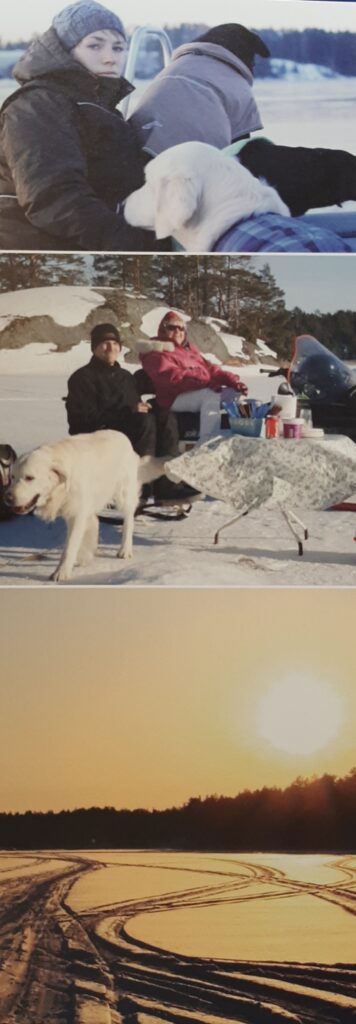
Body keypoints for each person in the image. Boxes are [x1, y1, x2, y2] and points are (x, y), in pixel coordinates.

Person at [131, 23, 356, 217]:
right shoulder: (231, 81)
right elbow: (242, 148)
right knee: (332, 165)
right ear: (246, 53)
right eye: (254, 62)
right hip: (196, 183)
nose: (253, 69)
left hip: (150, 180)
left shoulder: (177, 70)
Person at [0, 1, 156, 251]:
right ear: (65, 49)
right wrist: (133, 246)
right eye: (95, 45)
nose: (110, 58)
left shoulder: (95, 106)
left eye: (118, 48)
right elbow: (53, 197)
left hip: (84, 245)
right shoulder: (37, 105)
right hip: (36, 254)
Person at [65, 322, 199, 503]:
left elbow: (156, 382)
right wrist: (129, 411)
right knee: (144, 421)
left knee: (164, 415)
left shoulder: (126, 377)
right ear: (94, 348)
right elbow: (81, 420)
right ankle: (140, 487)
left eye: (114, 343)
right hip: (100, 435)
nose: (110, 348)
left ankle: (167, 484)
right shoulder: (82, 378)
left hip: (132, 428)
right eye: (104, 343)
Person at [140, 311, 248, 442]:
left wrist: (231, 381)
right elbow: (172, 378)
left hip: (196, 390)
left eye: (181, 328)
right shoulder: (156, 351)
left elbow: (210, 369)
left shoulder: (189, 350)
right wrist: (205, 381)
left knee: (235, 394)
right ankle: (207, 442)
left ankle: (242, 436)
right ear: (163, 329)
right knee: (210, 395)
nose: (178, 331)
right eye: (172, 327)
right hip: (172, 397)